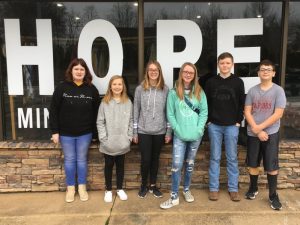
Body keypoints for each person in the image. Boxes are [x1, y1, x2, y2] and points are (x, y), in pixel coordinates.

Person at [49, 58, 100, 203]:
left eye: (82, 69)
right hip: (66, 133)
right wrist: (55, 131)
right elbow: (53, 110)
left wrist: (95, 133)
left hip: (85, 132)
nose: (79, 71)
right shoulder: (62, 88)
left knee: (82, 160)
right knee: (70, 160)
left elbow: (97, 113)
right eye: (76, 69)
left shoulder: (91, 89)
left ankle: (82, 188)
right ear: (71, 71)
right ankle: (71, 188)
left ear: (85, 72)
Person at [160, 62, 208, 209]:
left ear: (194, 75)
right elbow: (170, 114)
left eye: (191, 73)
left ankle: (186, 190)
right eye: (185, 72)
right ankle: (174, 196)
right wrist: (177, 129)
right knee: (176, 165)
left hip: (195, 136)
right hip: (180, 136)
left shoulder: (200, 92)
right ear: (181, 74)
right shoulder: (174, 93)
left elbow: (204, 112)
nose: (188, 74)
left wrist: (199, 130)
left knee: (189, 165)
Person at [244, 60, 286, 210]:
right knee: (253, 163)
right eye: (262, 69)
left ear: (274, 73)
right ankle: (253, 188)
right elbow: (247, 111)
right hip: (253, 133)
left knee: (271, 165)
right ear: (258, 73)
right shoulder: (252, 91)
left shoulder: (278, 91)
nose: (265, 72)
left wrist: (260, 129)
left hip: (271, 133)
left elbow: (278, 114)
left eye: (269, 69)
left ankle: (273, 195)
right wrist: (256, 130)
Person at [205, 52, 245, 202]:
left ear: (232, 64)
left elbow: (242, 102)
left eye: (228, 63)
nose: (225, 66)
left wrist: (238, 121)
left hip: (231, 126)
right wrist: (208, 121)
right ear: (218, 64)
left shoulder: (238, 82)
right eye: (222, 63)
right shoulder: (211, 82)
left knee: (232, 158)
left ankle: (233, 189)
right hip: (214, 125)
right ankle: (213, 188)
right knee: (215, 158)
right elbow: (206, 103)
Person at [133, 60, 172, 198]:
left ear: (159, 71)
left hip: (160, 131)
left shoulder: (166, 89)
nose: (153, 72)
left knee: (155, 159)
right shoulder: (140, 89)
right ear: (147, 72)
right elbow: (135, 110)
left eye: (156, 70)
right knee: (145, 160)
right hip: (143, 131)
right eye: (151, 69)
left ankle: (153, 186)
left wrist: (168, 131)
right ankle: (143, 185)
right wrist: (135, 131)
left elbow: (169, 112)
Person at [97, 75, 133, 203]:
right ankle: (108, 190)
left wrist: (129, 137)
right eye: (114, 84)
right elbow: (100, 122)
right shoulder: (104, 102)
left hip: (122, 143)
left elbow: (131, 121)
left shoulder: (128, 102)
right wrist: (103, 138)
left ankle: (119, 188)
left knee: (120, 166)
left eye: (120, 84)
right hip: (108, 143)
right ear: (110, 87)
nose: (117, 86)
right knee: (108, 165)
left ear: (123, 87)